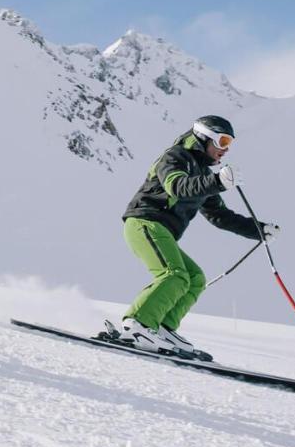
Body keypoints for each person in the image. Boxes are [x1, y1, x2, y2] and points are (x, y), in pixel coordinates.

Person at [116, 115, 280, 357]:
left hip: (162, 231)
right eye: (222, 141)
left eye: (230, 144)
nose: (225, 150)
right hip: (144, 223)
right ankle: (138, 325)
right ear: (205, 137)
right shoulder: (175, 157)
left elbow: (219, 216)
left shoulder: (202, 173)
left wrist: (259, 229)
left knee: (194, 278)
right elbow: (178, 187)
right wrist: (217, 181)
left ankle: (161, 326)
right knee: (174, 275)